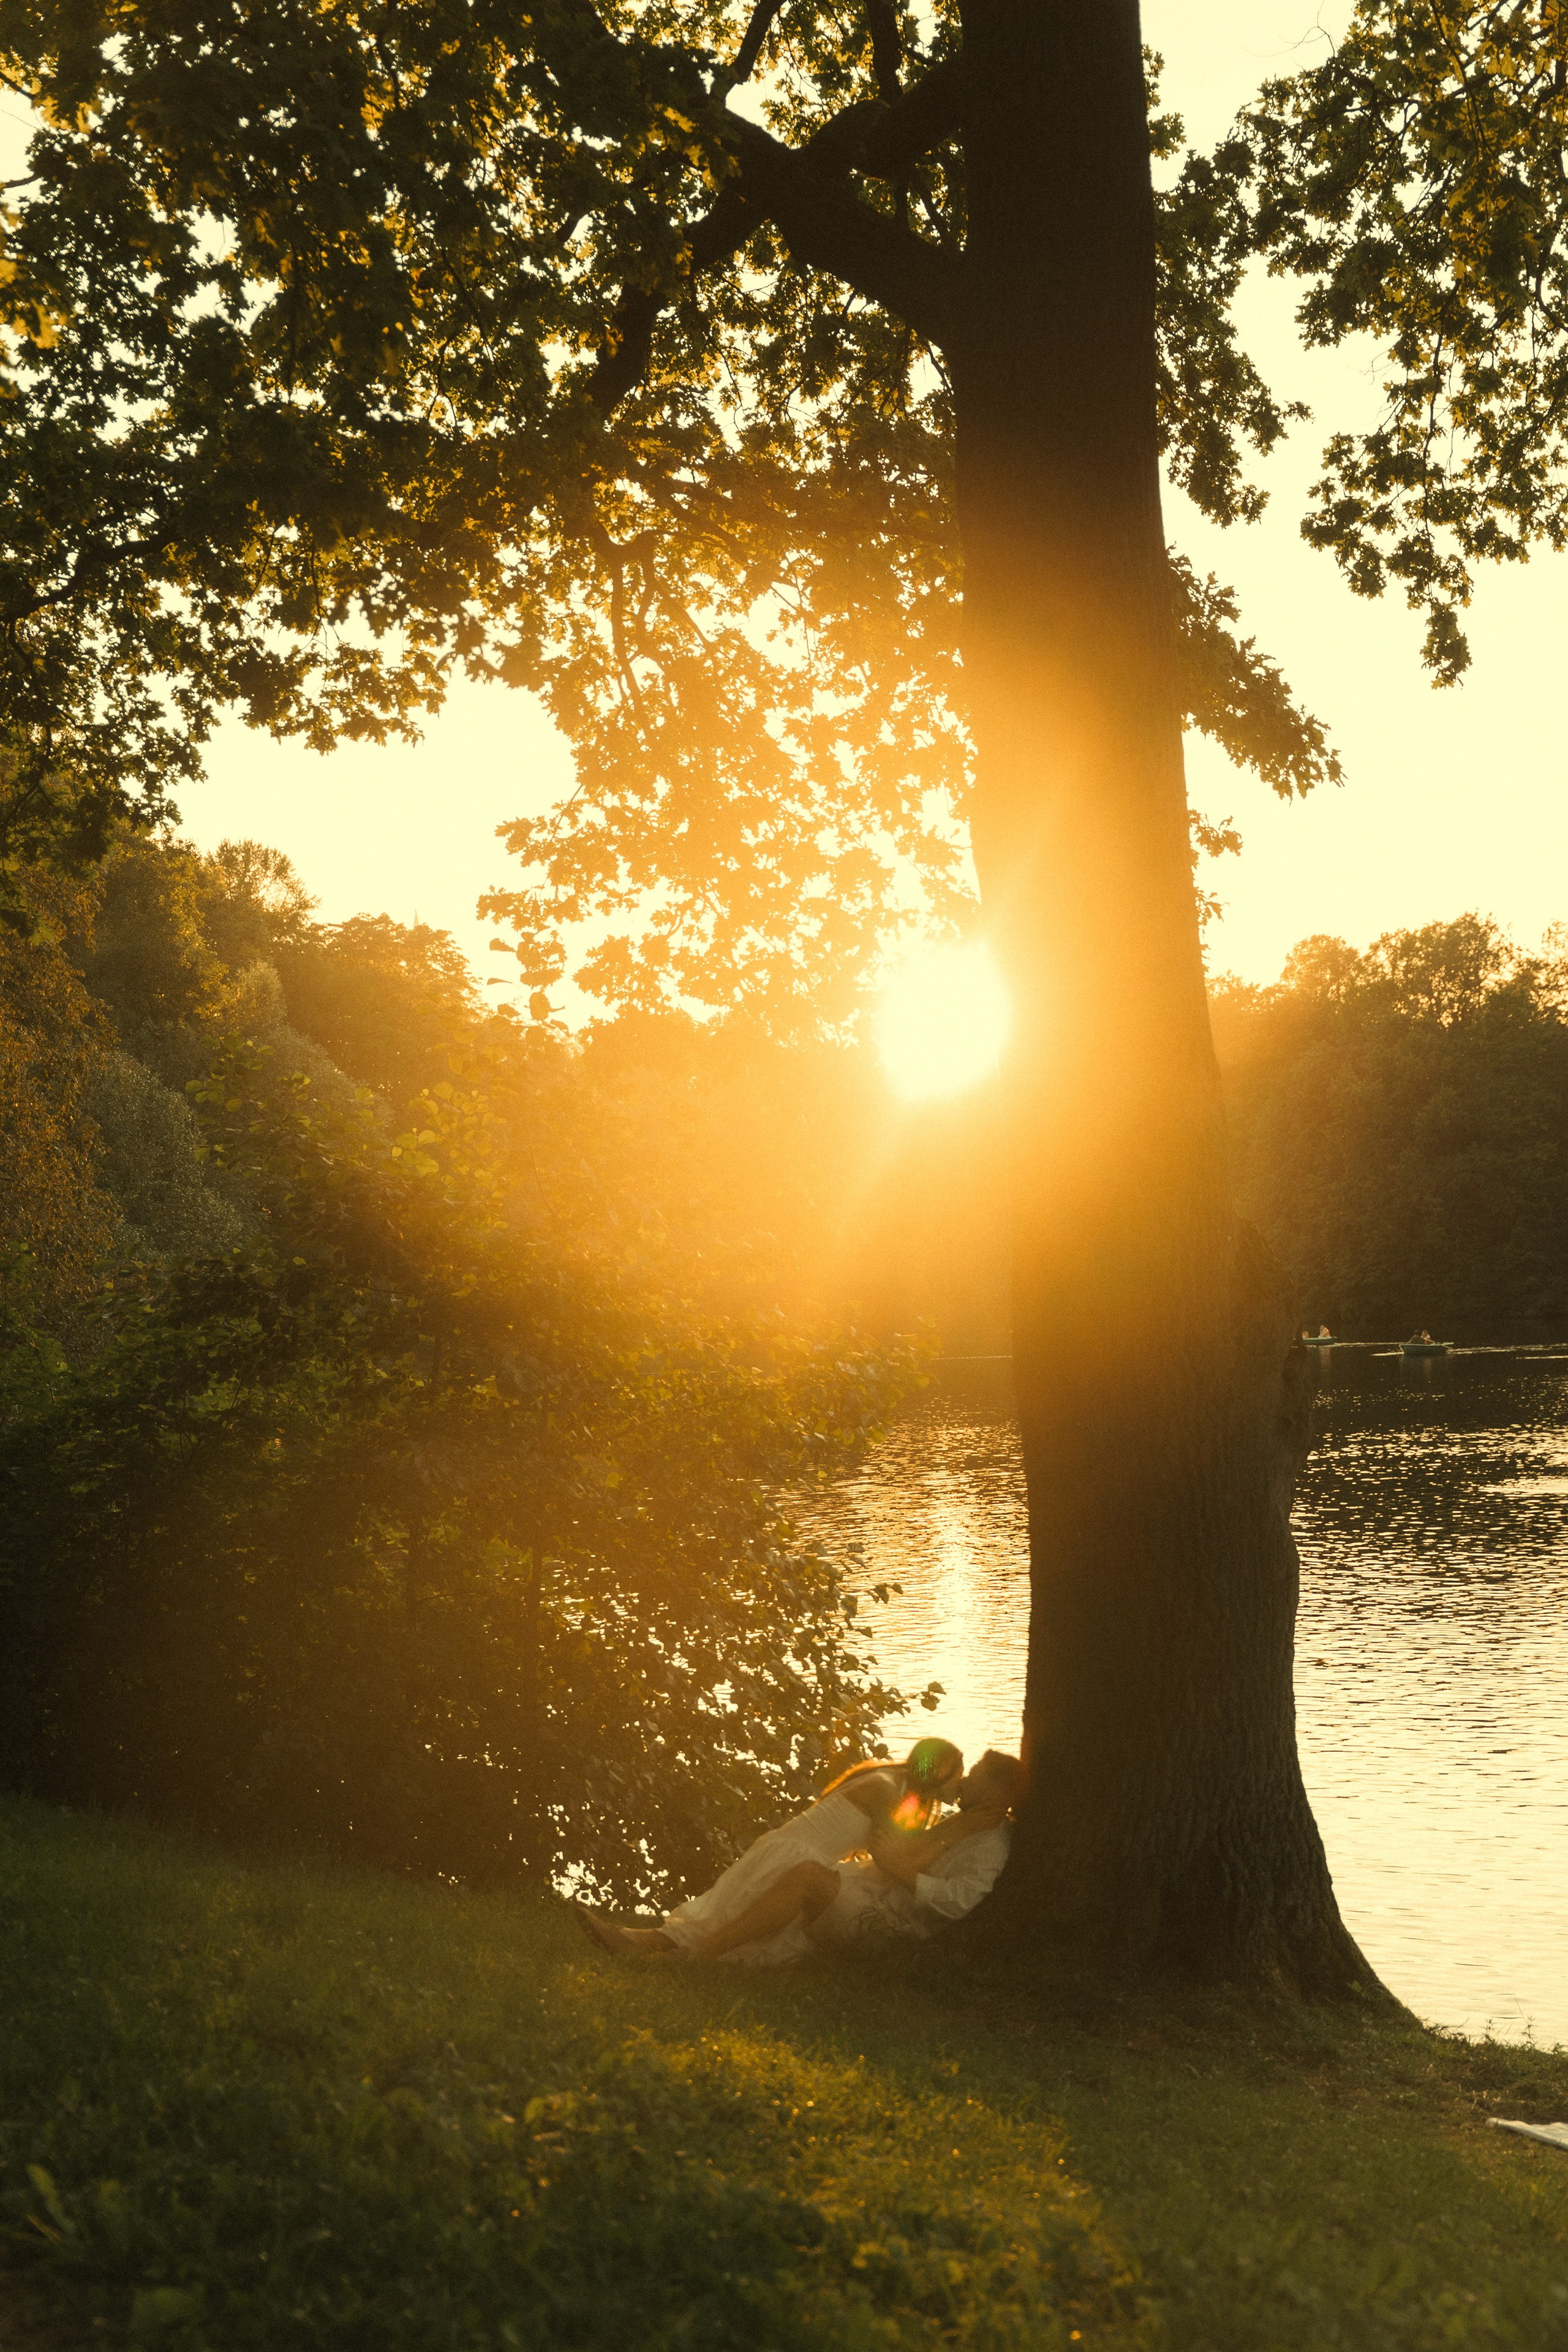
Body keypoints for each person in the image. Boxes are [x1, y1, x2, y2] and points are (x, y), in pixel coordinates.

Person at [578, 1748, 1024, 1964]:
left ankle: (661, 1947)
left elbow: (915, 1869)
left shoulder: (986, 1842)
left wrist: (925, 1853)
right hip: (802, 1858)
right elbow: (896, 1855)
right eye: (959, 1777)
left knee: (730, 1909)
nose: (961, 1786)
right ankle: (650, 1943)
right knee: (721, 1912)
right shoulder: (892, 1792)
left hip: (843, 1882)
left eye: (973, 1778)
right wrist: (949, 1831)